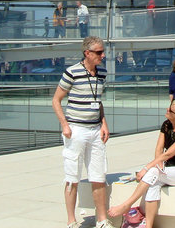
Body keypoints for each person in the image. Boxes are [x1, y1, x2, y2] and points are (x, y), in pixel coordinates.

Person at [107, 99, 175, 227]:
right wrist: (156, 164)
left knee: (152, 172)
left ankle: (127, 205)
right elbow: (159, 149)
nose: (167, 110)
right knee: (153, 184)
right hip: (169, 170)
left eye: (170, 110)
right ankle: (148, 225)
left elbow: (167, 154)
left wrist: (147, 168)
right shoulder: (167, 125)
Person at [51, 36, 112, 228]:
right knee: (72, 177)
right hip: (76, 129)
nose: (102, 55)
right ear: (87, 53)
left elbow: (98, 100)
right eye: (99, 52)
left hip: (95, 129)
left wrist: (104, 123)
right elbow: (56, 100)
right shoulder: (72, 72)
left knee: (98, 176)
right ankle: (71, 221)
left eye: (103, 51)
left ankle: (102, 220)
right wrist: (65, 125)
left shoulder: (102, 73)